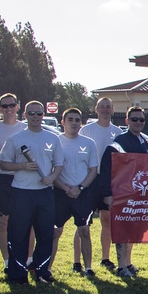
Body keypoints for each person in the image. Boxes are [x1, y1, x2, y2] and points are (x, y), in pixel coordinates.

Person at [0, 100, 64, 285]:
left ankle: (41, 270)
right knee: (18, 234)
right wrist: (22, 166)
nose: (35, 117)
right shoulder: (16, 139)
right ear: (25, 115)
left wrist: (52, 177)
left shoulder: (53, 138)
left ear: (43, 115)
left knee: (45, 235)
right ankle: (18, 274)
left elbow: (59, 164)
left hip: (44, 193)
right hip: (22, 193)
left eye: (39, 113)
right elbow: (3, 163)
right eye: (32, 113)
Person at [99, 106, 148, 279]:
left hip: (137, 195)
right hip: (121, 194)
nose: (138, 122)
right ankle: (121, 267)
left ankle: (128, 262)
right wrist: (107, 194)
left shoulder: (144, 142)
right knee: (122, 230)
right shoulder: (118, 142)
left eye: (141, 120)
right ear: (127, 121)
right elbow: (107, 169)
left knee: (133, 230)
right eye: (134, 119)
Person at [51, 108, 99, 276]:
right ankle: (47, 269)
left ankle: (88, 268)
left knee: (84, 231)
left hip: (82, 194)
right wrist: (66, 188)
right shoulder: (55, 142)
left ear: (81, 123)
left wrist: (79, 188)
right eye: (70, 119)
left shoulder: (88, 143)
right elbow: (51, 171)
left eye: (77, 120)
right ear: (63, 122)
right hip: (60, 193)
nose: (74, 123)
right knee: (55, 232)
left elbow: (93, 170)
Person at [0, 92, 27, 273]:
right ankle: (7, 261)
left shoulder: (26, 128)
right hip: (0, 179)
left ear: (17, 106)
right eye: (4, 106)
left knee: (26, 222)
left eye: (12, 105)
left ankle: (28, 260)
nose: (8, 109)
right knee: (3, 223)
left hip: (23, 179)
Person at [80, 97, 123, 271]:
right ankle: (78, 262)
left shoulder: (118, 132)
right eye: (102, 107)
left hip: (108, 180)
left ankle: (105, 258)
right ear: (96, 109)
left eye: (108, 107)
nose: (105, 110)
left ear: (113, 110)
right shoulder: (87, 130)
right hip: (89, 179)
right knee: (82, 221)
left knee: (107, 220)